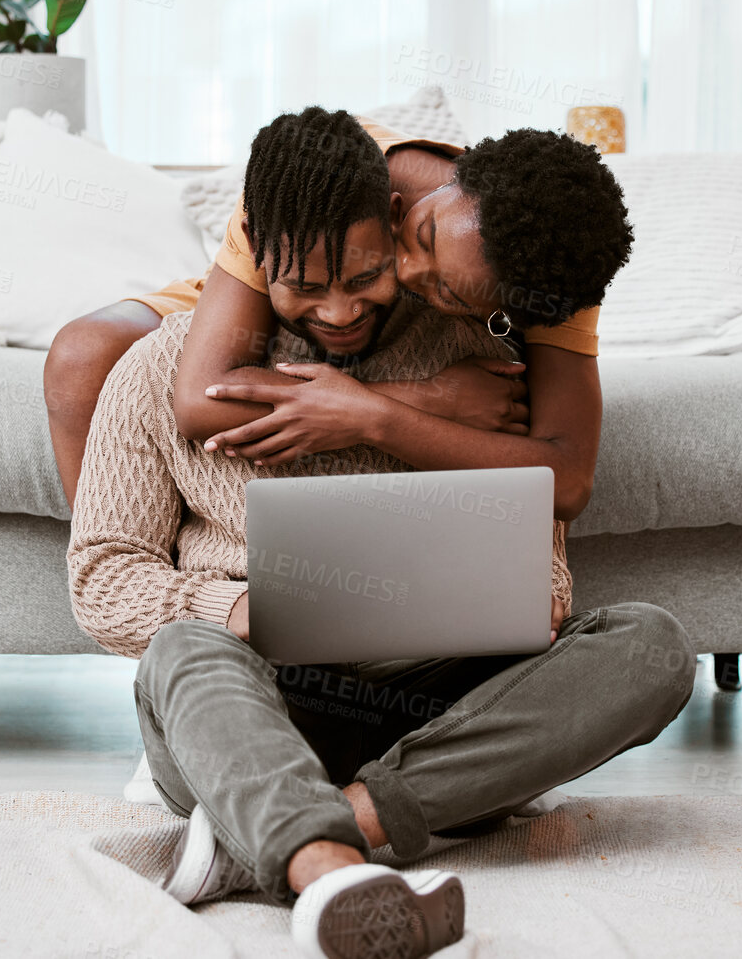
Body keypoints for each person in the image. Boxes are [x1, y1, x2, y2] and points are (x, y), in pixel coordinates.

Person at [66, 108, 695, 959]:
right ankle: (332, 861)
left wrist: (487, 599)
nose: (343, 306)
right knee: (184, 650)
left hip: (431, 712)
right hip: (257, 705)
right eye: (306, 285)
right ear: (258, 255)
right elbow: (102, 579)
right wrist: (243, 609)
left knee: (652, 646)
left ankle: (301, 841)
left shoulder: (489, 377)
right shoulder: (163, 370)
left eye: (371, 275)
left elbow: (545, 577)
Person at [43, 112, 635, 525]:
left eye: (447, 291)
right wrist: (418, 401)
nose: (402, 269)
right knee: (81, 353)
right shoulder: (321, 178)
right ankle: (136, 592)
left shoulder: (549, 270)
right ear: (460, 176)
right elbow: (201, 399)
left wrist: (375, 420)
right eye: (423, 234)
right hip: (286, 293)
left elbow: (568, 479)